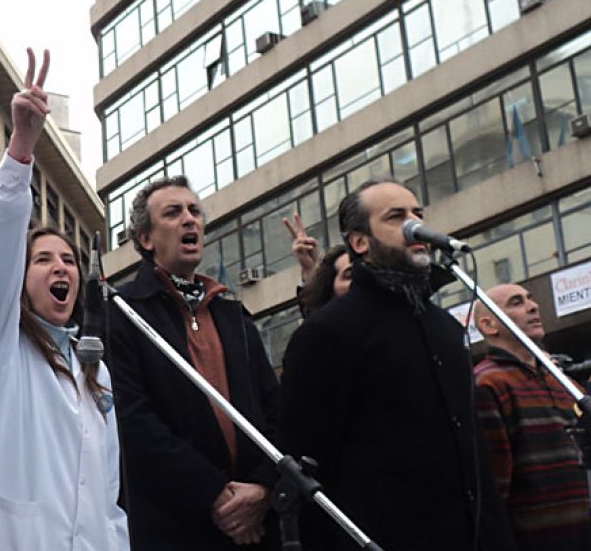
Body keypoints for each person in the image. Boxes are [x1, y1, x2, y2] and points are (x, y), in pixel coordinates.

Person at [0, 49, 129, 550]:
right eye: (44, 259)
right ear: (19, 279)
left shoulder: (94, 370)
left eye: (69, 260)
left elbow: (107, 495)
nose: (61, 268)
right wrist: (22, 146)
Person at [279, 177, 515, 550]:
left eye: (417, 213)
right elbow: (309, 458)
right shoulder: (328, 332)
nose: (414, 225)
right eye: (396, 217)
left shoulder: (446, 328)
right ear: (359, 242)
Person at [107, 175, 281, 550]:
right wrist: (215, 495)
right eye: (173, 213)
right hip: (175, 526)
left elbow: (274, 408)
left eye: (194, 211)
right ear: (145, 238)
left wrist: (262, 488)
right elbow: (132, 420)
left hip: (256, 527)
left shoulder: (233, 313)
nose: (189, 220)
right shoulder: (122, 313)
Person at [473, 284, 591, 551]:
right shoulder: (487, 384)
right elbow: (494, 486)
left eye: (530, 298)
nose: (533, 306)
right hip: (535, 540)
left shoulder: (564, 382)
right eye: (516, 302)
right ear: (490, 325)